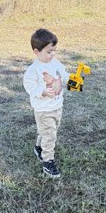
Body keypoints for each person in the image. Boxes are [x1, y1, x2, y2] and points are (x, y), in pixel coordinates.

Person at [23, 28, 69, 178]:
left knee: (50, 130)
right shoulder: (33, 70)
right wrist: (41, 92)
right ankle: (48, 162)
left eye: (54, 50)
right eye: (49, 52)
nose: (53, 54)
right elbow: (29, 87)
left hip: (57, 106)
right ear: (37, 52)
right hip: (44, 110)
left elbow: (63, 74)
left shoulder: (55, 63)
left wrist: (71, 80)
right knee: (50, 136)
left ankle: (38, 147)